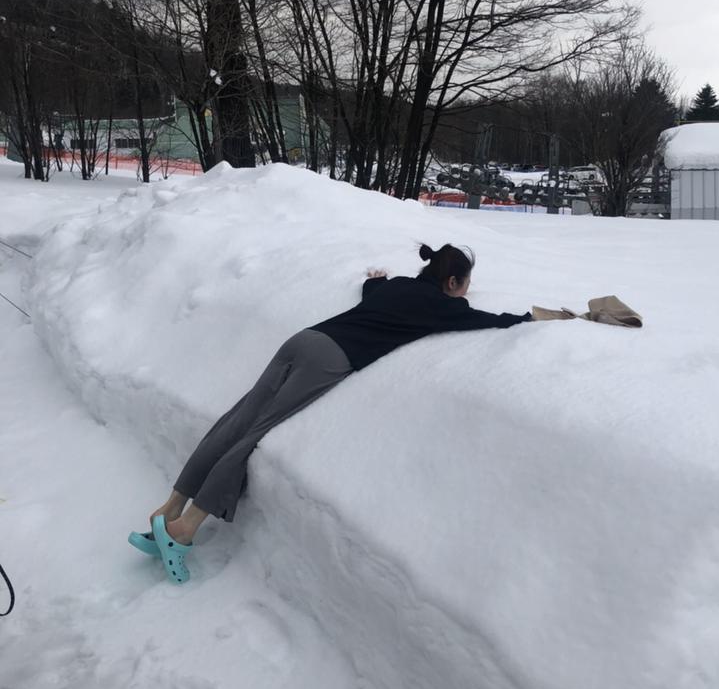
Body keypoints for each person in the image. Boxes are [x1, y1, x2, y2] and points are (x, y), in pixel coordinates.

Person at [129, 243, 534, 583]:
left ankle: (168, 509)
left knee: (236, 421)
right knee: (253, 436)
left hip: (304, 339)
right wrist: (529, 320)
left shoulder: (398, 287)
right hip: (328, 358)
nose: (465, 294)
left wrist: (376, 277)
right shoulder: (442, 306)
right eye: (465, 286)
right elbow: (491, 321)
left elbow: (371, 288)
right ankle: (182, 531)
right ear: (451, 283)